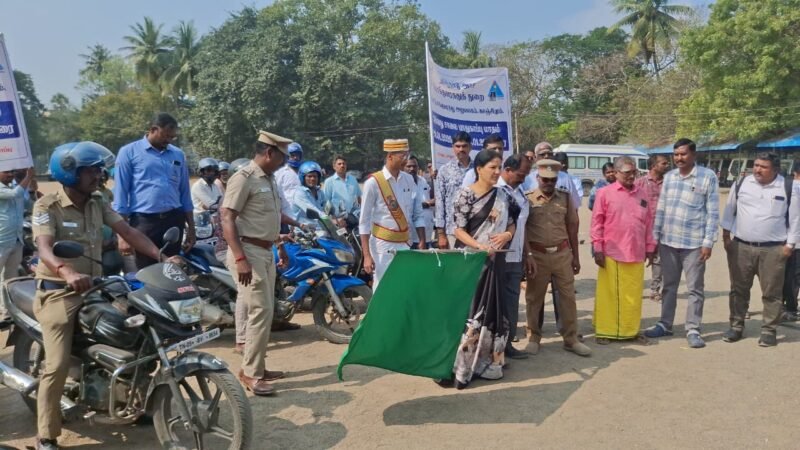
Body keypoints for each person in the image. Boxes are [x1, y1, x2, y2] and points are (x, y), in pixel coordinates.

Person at [31, 142, 175, 450]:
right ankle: (46, 435)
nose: (99, 174)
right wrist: (67, 272)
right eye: (91, 170)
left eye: (99, 169)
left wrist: (160, 257)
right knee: (55, 365)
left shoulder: (99, 201)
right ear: (70, 173)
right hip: (59, 293)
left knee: (141, 331)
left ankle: (135, 401)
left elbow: (128, 231)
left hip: (98, 286)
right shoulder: (47, 206)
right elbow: (44, 247)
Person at [221, 130, 295, 396]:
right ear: (268, 153)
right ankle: (250, 373)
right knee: (259, 311)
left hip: (265, 251)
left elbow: (270, 218)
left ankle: (258, 367)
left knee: (265, 311)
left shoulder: (270, 179)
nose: (283, 163)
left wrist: (280, 246)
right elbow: (227, 217)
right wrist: (240, 258)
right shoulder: (244, 178)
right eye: (281, 157)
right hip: (247, 251)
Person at [450, 149, 518, 388]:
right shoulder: (465, 196)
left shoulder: (504, 196)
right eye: (492, 168)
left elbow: (512, 221)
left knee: (493, 313)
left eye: (499, 167)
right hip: (471, 264)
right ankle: (462, 367)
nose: (497, 172)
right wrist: (479, 246)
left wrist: (508, 234)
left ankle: (489, 364)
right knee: (470, 313)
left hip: (495, 264)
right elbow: (458, 230)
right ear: (479, 169)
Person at [645, 138, 719, 349]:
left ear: (693, 155)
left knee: (695, 288)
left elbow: (713, 213)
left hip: (694, 243)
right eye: (676, 154)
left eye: (683, 154)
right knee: (669, 286)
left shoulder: (708, 177)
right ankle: (665, 324)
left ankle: (693, 328)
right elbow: (661, 209)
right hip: (668, 241)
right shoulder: (669, 178)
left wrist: (708, 242)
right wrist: (656, 238)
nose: (679, 158)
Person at [720, 153, 799, 347]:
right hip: (741, 247)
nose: (757, 170)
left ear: (775, 170)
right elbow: (729, 211)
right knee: (738, 290)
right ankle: (736, 327)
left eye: (763, 167)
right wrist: (726, 237)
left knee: (772, 293)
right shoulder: (742, 184)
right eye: (756, 165)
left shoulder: (789, 187)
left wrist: (790, 246)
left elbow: (795, 218)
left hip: (773, 250)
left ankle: (768, 330)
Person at [523, 159, 591, 357]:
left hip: (562, 254)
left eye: (552, 180)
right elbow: (524, 230)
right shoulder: (528, 199)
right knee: (534, 298)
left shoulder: (565, 198)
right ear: (538, 178)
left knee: (568, 298)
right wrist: (527, 255)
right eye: (544, 179)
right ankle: (534, 337)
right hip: (537, 255)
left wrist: (575, 257)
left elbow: (572, 227)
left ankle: (570, 339)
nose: (548, 183)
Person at [112, 112, 195, 268]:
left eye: (172, 137)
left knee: (173, 269)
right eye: (166, 136)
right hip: (144, 223)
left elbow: (185, 194)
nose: (169, 140)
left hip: (173, 220)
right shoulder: (128, 152)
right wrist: (122, 236)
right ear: (153, 129)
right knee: (147, 271)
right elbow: (120, 197)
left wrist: (191, 228)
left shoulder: (178, 155)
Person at [591, 156, 656, 344]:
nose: (631, 176)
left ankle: (631, 331)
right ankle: (605, 331)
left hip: (636, 252)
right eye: (627, 172)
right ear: (617, 172)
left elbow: (649, 223)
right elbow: (597, 222)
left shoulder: (642, 194)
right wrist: (597, 247)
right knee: (609, 294)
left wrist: (650, 248)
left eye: (633, 172)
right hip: (612, 251)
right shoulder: (604, 193)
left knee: (633, 295)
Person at [359, 139, 426, 289]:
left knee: (404, 285)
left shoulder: (408, 180)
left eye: (406, 155)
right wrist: (367, 256)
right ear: (390, 156)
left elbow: (415, 212)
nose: (405, 160)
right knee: (383, 286)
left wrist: (420, 239)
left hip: (405, 242)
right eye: (402, 156)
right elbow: (363, 222)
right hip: (382, 244)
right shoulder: (373, 182)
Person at [495, 154, 532, 358]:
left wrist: (527, 254)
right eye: (520, 174)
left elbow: (523, 227)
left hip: (516, 257)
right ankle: (492, 348)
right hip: (497, 257)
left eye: (526, 175)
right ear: (507, 170)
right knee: (494, 304)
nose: (523, 178)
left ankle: (507, 345)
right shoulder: (495, 191)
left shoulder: (521, 192)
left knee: (512, 303)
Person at [634, 154, 670, 302]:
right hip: (642, 228)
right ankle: (635, 289)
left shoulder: (669, 183)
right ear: (654, 166)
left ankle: (655, 290)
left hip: (662, 228)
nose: (667, 166)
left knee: (658, 260)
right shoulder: (640, 183)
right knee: (637, 259)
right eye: (664, 163)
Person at [0, 166, 34, 322]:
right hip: (2, 240)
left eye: (11, 172)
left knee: (11, 277)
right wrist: (28, 177)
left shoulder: (15, 187)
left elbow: (26, 201)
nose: (10, 174)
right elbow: (15, 194)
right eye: (6, 171)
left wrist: (29, 183)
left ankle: (8, 310)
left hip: (16, 239)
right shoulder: (6, 190)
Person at [434, 131, 472, 249]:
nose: (461, 149)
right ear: (453, 148)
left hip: (474, 230)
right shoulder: (445, 170)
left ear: (470, 147)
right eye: (458, 146)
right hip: (452, 231)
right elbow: (439, 202)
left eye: (464, 146)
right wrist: (441, 234)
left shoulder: (478, 169)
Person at [782, 160, 800, 322]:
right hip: (794, 241)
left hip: (785, 239)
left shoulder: (786, 186)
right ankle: (790, 308)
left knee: (785, 275)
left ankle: (785, 307)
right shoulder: (792, 187)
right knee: (793, 276)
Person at [405, 155, 435, 248]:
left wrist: (434, 178)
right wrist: (426, 203)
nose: (412, 169)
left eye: (414, 166)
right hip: (412, 235)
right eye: (409, 166)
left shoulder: (422, 180)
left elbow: (432, 196)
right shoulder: (402, 183)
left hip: (427, 231)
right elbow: (409, 205)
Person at [323, 154, 361, 226]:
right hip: (337, 220)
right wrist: (332, 220)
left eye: (344, 164)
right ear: (334, 166)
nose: (342, 166)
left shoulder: (353, 180)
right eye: (339, 164)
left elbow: (359, 198)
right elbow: (325, 202)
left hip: (352, 218)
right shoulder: (329, 182)